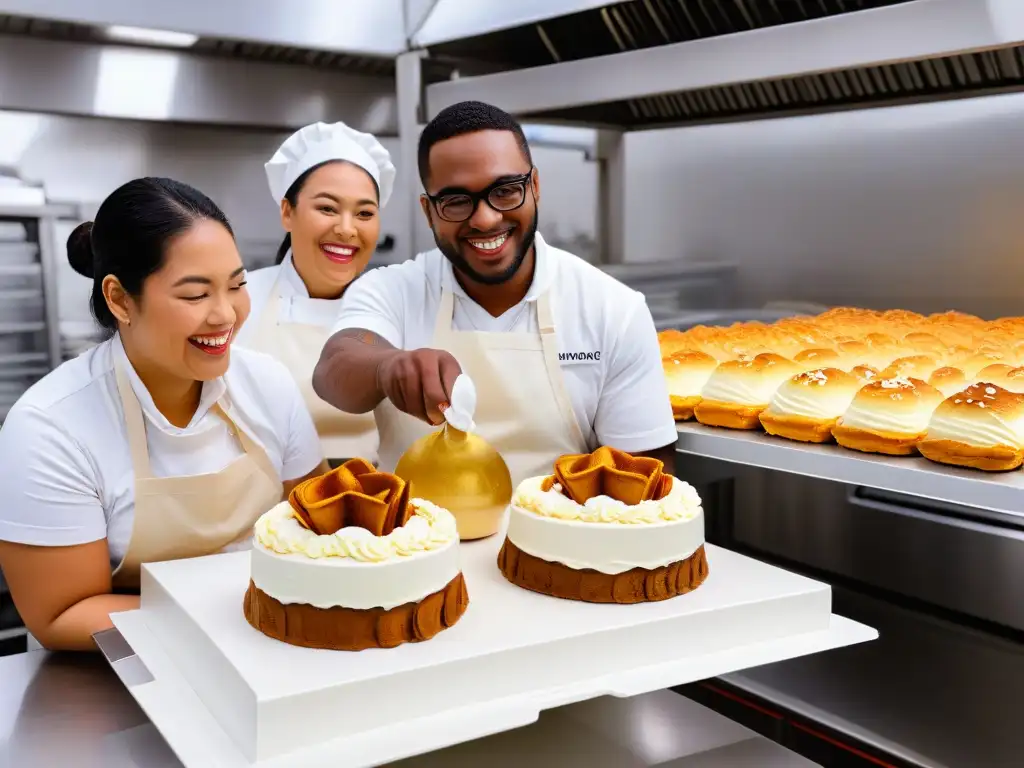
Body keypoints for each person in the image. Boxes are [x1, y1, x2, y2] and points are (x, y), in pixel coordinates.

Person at [0, 177, 326, 652]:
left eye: (236, 285)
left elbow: (314, 525)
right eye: (195, 295)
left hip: (268, 647)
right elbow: (62, 614)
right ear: (118, 299)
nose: (225, 315)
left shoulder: (268, 384)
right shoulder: (50, 427)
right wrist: (233, 616)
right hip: (116, 676)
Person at [313, 101, 677, 484]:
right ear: (428, 211)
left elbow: (646, 487)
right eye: (456, 201)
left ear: (534, 186)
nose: (485, 218)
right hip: (414, 541)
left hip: (560, 539)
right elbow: (337, 366)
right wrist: (385, 367)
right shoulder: (393, 290)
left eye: (505, 191)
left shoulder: (612, 309)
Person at [236, 121, 395, 465]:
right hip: (262, 507)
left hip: (376, 505)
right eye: (327, 208)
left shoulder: (399, 307)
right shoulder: (238, 301)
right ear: (287, 212)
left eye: (364, 213)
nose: (347, 229)